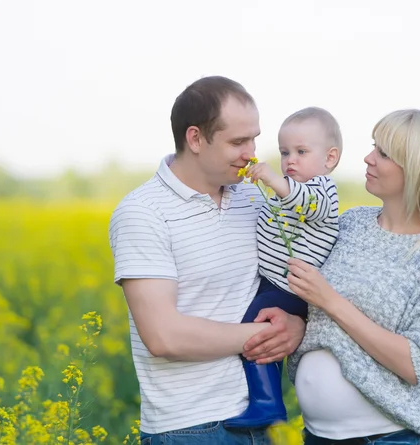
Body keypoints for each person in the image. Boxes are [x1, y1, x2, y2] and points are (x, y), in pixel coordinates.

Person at [108, 75, 306, 445]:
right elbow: (164, 336)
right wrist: (269, 335)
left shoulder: (254, 199)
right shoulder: (143, 212)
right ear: (195, 138)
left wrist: (297, 326)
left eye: (254, 139)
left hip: (261, 422)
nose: (251, 153)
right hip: (190, 429)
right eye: (237, 141)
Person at [285, 109, 420, 445]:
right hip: (318, 437)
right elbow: (318, 312)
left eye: (383, 153)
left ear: (416, 167)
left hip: (390, 438)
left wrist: (329, 301)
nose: (368, 158)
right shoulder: (351, 222)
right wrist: (296, 323)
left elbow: (416, 363)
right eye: (374, 147)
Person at [224, 107, 342, 429]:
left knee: (255, 331)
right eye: (284, 152)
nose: (290, 160)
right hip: (272, 283)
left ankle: (267, 404)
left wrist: (274, 181)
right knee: (263, 334)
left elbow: (305, 204)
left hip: (290, 289)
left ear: (329, 159)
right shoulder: (283, 192)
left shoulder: (322, 191)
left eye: (302, 152)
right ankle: (265, 398)